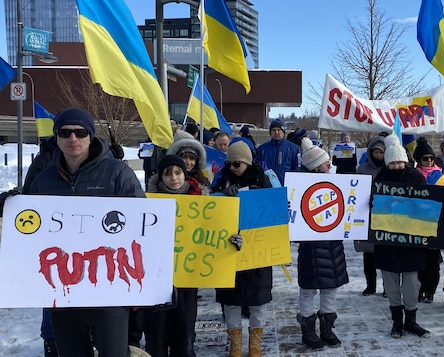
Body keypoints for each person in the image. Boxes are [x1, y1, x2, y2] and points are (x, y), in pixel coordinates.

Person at [26, 107, 145, 357]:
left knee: (113, 353)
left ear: (90, 136)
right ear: (56, 137)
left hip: (109, 287)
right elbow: (29, 226)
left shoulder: (117, 173)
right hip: (63, 286)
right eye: (65, 132)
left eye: (80, 132)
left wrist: (154, 277)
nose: (73, 139)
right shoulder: (45, 179)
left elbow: (144, 226)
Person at [212, 141, 272, 357]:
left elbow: (272, 211)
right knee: (231, 302)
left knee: (258, 302)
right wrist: (222, 195)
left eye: (237, 163)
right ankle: (235, 344)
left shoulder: (262, 180)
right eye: (229, 163)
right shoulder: (221, 180)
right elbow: (211, 208)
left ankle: (255, 344)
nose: (232, 167)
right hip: (228, 251)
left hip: (257, 253)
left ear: (247, 162)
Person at [143, 155, 206, 357]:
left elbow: (213, 235)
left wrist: (231, 241)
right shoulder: (145, 202)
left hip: (187, 279)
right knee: (156, 338)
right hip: (155, 280)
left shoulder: (204, 203)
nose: (174, 178)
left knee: (184, 338)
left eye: (178, 172)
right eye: (168, 173)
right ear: (160, 177)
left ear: (185, 175)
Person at [374, 135, 430, 339]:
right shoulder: (380, 179)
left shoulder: (416, 177)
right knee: (390, 282)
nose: (397, 166)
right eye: (393, 162)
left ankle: (412, 320)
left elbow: (427, 204)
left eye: (399, 161)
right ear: (388, 163)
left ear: (405, 161)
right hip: (387, 240)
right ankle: (397, 322)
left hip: (411, 241)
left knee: (411, 282)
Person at [296, 137, 349, 349]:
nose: (331, 166)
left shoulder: (337, 184)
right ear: (317, 167)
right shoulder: (298, 187)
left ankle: (327, 329)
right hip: (310, 248)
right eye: (327, 164)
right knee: (308, 291)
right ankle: (308, 332)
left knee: (330, 289)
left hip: (332, 246)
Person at [412, 137, 444, 303]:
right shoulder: (413, 177)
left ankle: (429, 291)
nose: (428, 161)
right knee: (418, 259)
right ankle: (419, 288)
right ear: (418, 161)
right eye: (425, 159)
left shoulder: (438, 176)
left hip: (435, 224)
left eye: (431, 158)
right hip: (417, 224)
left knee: (433, 260)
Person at [355, 135, 386, 297]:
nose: (378, 156)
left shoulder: (389, 169)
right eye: (376, 152)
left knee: (386, 253)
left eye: (381, 152)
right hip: (366, 214)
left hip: (386, 216)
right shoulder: (363, 169)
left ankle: (387, 287)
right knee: (369, 255)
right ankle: (370, 285)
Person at [257, 119, 300, 185]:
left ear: (283, 132)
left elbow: (297, 169)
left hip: (286, 185)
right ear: (270, 132)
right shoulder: (262, 149)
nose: (276, 132)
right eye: (274, 130)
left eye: (278, 130)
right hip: (268, 186)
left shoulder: (293, 148)